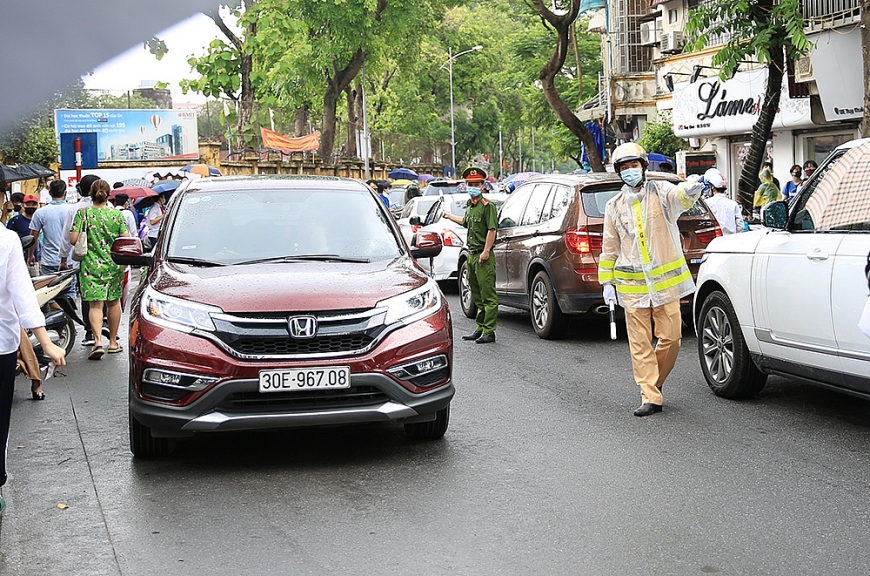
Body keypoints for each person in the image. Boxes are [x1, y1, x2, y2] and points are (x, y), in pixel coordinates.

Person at [598, 142, 704, 417]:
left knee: (672, 338)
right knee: (640, 343)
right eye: (624, 167)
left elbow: (680, 198)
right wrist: (607, 283)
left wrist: (690, 189)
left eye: (634, 165)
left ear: (643, 166)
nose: (630, 171)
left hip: (664, 285)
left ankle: (653, 381)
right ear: (619, 172)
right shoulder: (613, 206)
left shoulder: (661, 191)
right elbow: (609, 246)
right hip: (631, 287)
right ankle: (650, 395)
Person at [0, 226, 67, 507]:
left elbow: (23, 295)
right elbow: (23, 294)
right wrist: (46, 343)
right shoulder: (6, 240)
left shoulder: (7, 240)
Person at [69, 179, 131, 360]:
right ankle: (112, 342)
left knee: (95, 306)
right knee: (113, 303)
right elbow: (126, 238)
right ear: (108, 194)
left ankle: (97, 342)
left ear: (90, 194)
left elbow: (73, 240)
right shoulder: (117, 215)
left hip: (90, 266)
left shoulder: (83, 213)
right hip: (113, 265)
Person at [441, 166, 498, 344]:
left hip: (482, 255)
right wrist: (449, 215)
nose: (472, 187)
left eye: (475, 184)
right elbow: (465, 222)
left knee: (488, 295)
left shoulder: (487, 206)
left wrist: (486, 251)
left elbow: (492, 230)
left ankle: (489, 331)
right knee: (477, 294)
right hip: (471, 255)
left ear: (482, 185)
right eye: (469, 184)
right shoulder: (470, 206)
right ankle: (480, 327)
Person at [60, 174, 99, 346]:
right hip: (107, 260)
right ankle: (109, 331)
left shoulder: (75, 210)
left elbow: (67, 237)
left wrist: (63, 258)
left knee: (86, 296)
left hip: (83, 260)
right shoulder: (110, 209)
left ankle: (90, 332)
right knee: (108, 296)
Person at [28, 180, 74, 290]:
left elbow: (33, 237)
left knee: (49, 292)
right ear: (65, 193)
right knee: (70, 291)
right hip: (70, 259)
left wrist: (30, 255)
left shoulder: (40, 213)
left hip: (49, 260)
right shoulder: (73, 211)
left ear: (50, 193)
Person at [703, 168, 744, 235]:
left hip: (715, 239)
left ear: (713, 187)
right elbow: (740, 226)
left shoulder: (707, 203)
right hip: (731, 238)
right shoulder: (733, 204)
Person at [7, 194, 40, 276]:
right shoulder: (15, 220)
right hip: (18, 259)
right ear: (23, 205)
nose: (31, 206)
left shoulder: (40, 219)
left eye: (33, 204)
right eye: (28, 204)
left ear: (37, 205)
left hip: (36, 258)